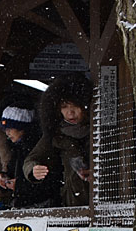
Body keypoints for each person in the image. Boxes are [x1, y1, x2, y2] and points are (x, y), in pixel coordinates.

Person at [24, 74, 93, 207]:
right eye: (64, 107)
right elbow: (31, 160)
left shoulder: (101, 130)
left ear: (85, 105)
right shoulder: (55, 134)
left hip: (108, 200)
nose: (70, 112)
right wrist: (33, 170)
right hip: (73, 204)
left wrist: (98, 173)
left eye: (75, 106)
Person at [0, 105, 59, 209]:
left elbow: (50, 183)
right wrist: (2, 179)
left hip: (41, 207)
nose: (7, 133)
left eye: (10, 128)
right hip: (26, 205)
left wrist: (20, 186)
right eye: (5, 129)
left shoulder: (39, 148)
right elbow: (12, 173)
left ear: (22, 128)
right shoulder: (17, 149)